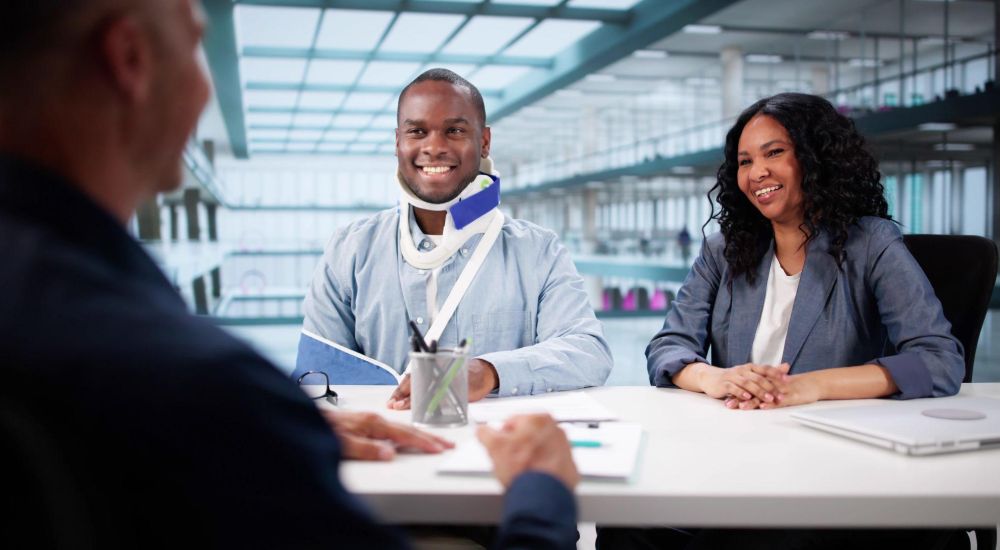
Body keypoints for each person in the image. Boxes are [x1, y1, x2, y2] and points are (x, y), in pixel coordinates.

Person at [0, 1, 579, 548]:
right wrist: (541, 495)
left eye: (454, 130)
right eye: (195, 48)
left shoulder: (55, 320)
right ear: (130, 59)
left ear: (482, 142)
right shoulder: (197, 384)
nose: (205, 93)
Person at [599, 93, 966, 548]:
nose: (757, 173)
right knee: (620, 522)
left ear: (814, 159)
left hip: (834, 466)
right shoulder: (723, 250)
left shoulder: (872, 244)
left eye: (775, 153)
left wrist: (811, 386)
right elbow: (667, 346)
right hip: (734, 456)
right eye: (745, 161)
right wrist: (714, 378)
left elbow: (938, 359)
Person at [297, 68, 613, 409]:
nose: (434, 147)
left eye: (455, 131)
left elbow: (588, 350)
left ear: (485, 142)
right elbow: (315, 376)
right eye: (417, 131)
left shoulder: (537, 251)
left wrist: (489, 371)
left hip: (495, 454)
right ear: (397, 142)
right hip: (387, 451)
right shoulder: (350, 250)